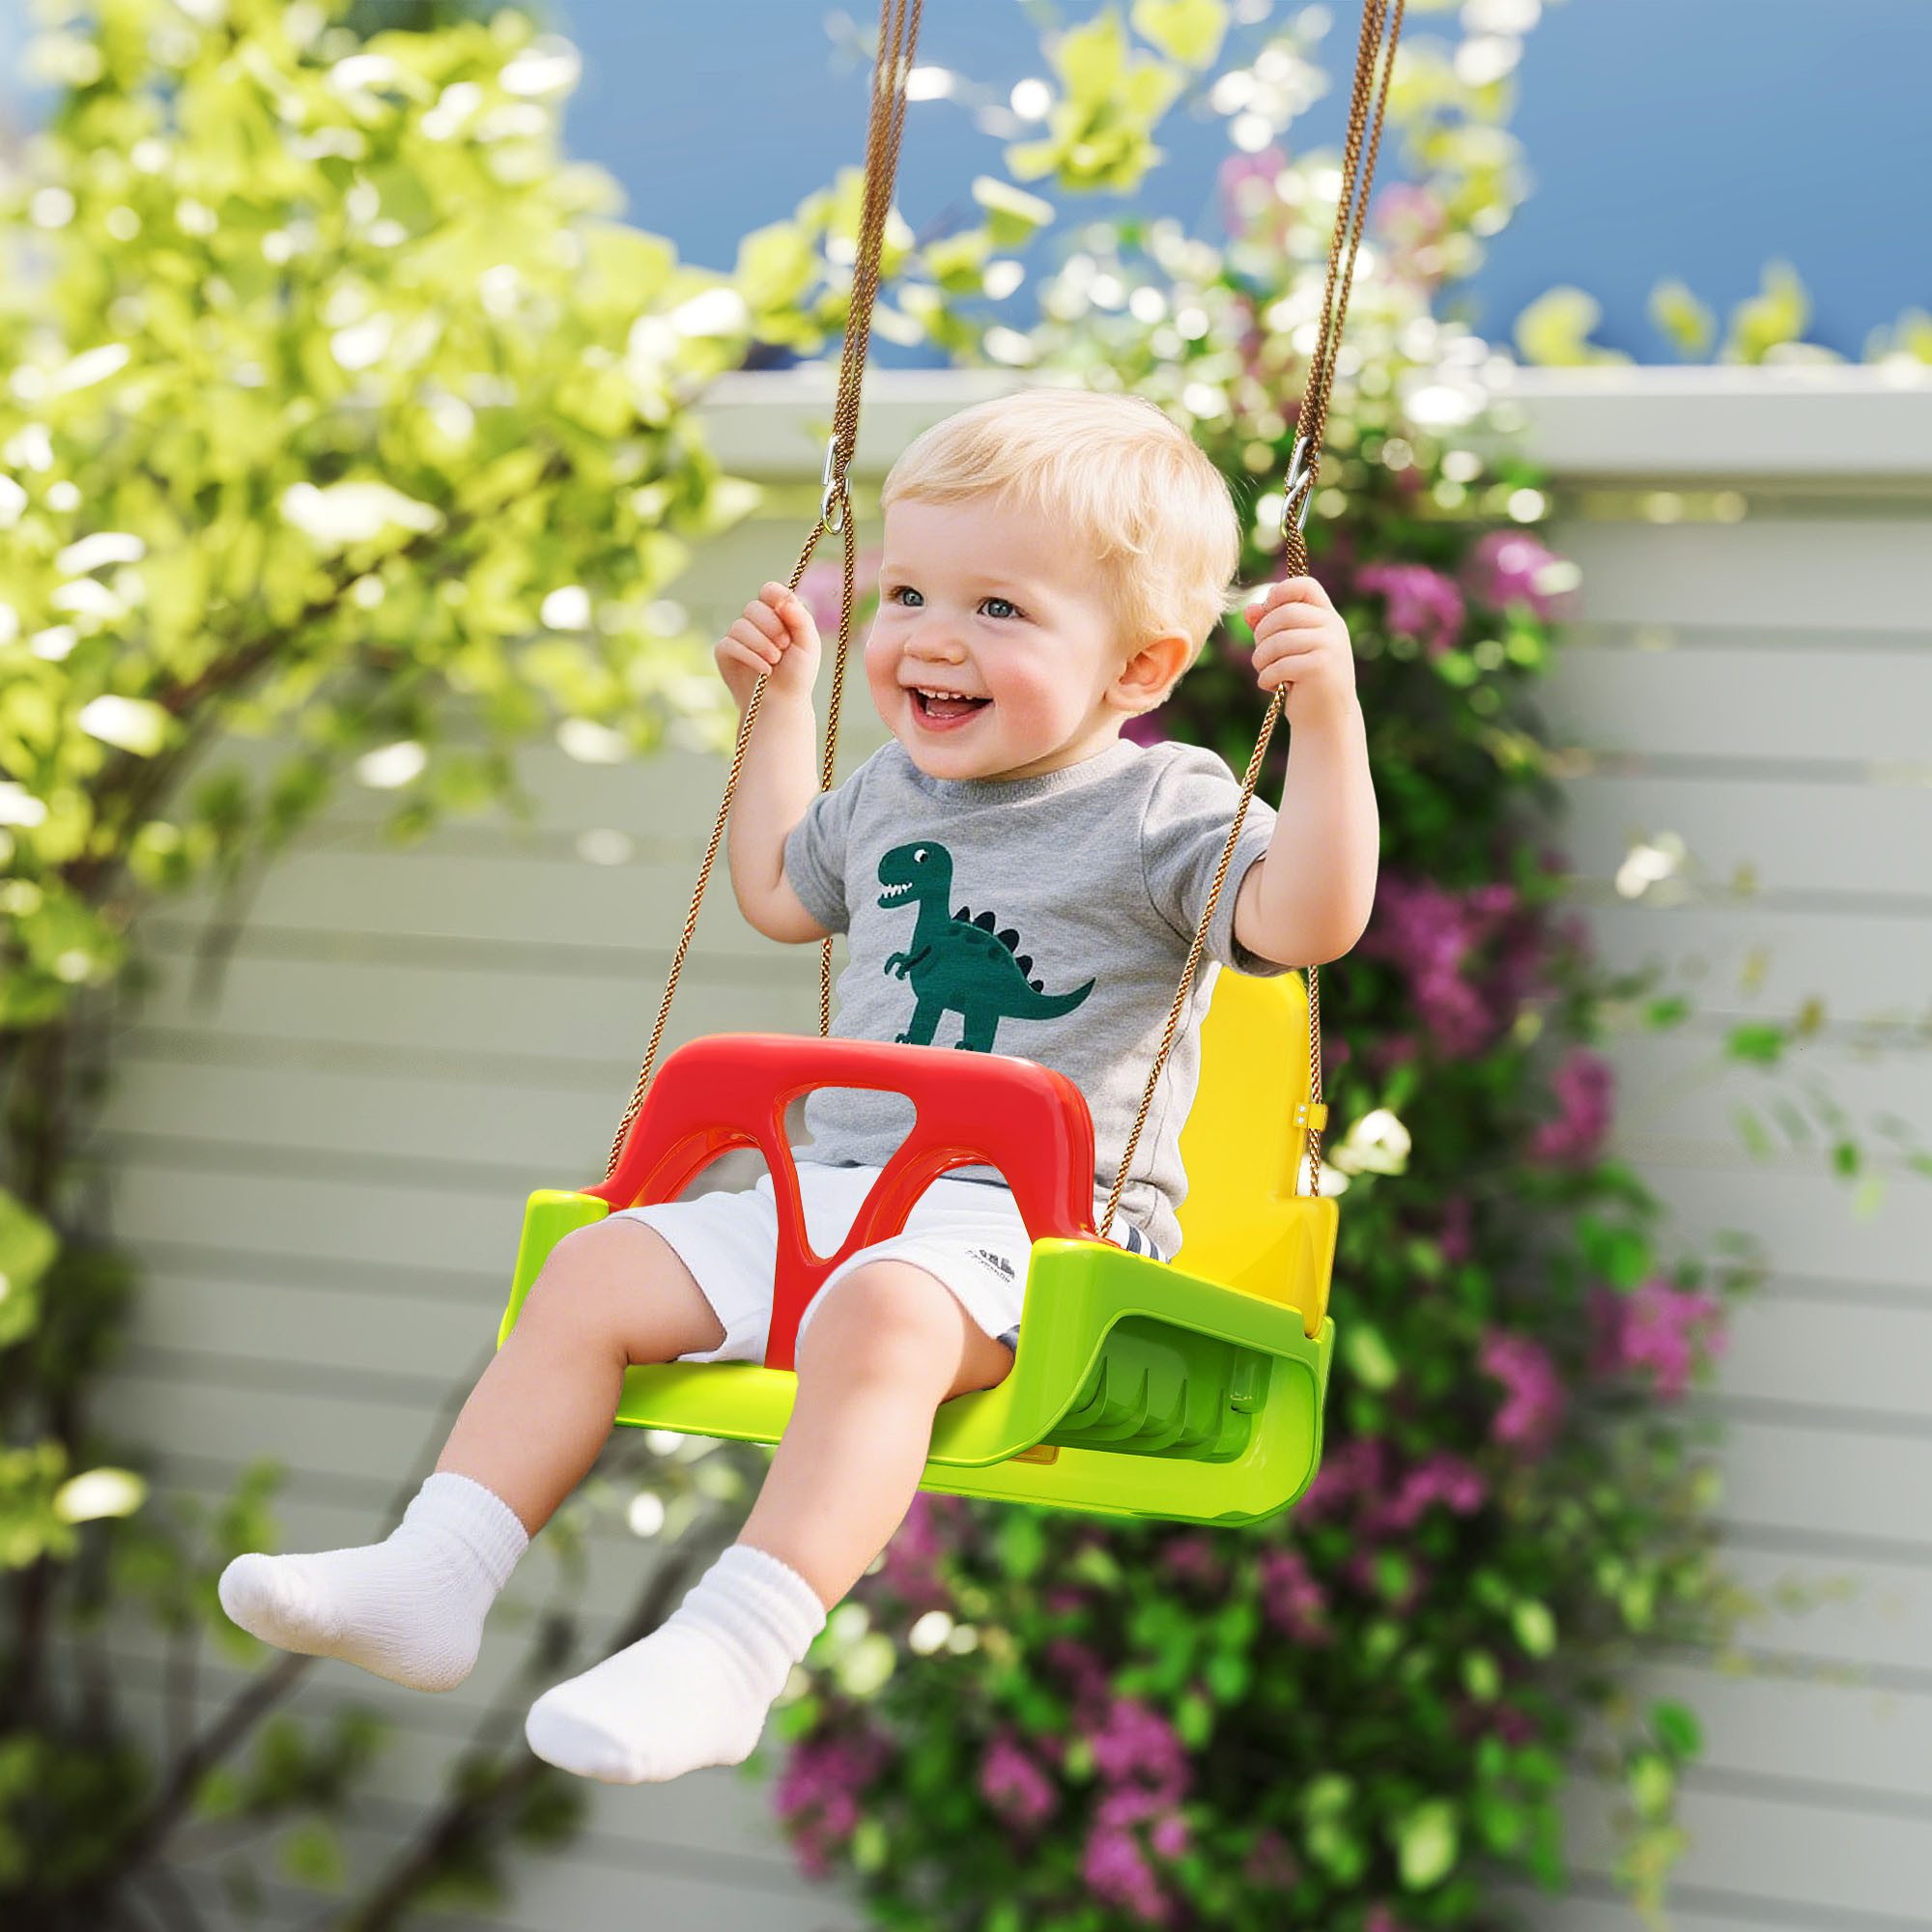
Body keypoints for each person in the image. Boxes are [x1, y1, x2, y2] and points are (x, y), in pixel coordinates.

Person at [216, 386, 1379, 1786]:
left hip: (1037, 1232)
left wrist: (1327, 722)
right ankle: (436, 1573)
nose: (932, 637)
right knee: (592, 1272)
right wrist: (776, 706)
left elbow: (1307, 923)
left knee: (879, 1307)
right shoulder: (891, 789)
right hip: (828, 1193)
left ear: (1140, 668)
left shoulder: (1164, 807)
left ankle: (734, 1652)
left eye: (1000, 610)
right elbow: (777, 888)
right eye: (905, 592)